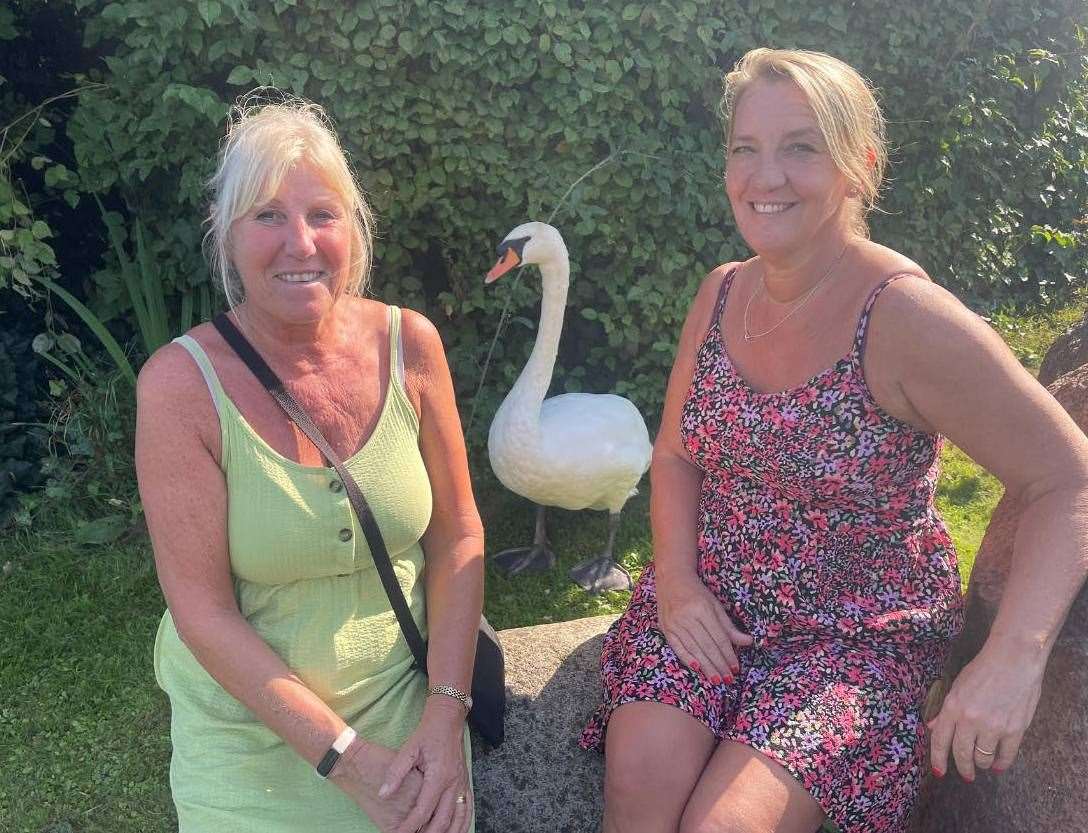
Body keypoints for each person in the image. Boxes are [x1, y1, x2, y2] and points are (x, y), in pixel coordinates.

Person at [581, 48, 1088, 833]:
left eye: (800, 148)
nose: (764, 176)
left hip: (848, 633)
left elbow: (1068, 475)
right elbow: (677, 454)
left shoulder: (907, 318)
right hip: (712, 597)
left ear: (859, 165)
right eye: (745, 150)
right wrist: (677, 583)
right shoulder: (721, 292)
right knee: (639, 788)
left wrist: (1014, 658)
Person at [136, 92, 483, 833]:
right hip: (252, 739)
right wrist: (348, 760)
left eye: (322, 214)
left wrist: (445, 718)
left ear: (353, 231)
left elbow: (458, 538)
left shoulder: (411, 345)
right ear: (227, 237)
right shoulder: (180, 385)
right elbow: (202, 610)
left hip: (410, 711)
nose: (300, 242)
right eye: (268, 216)